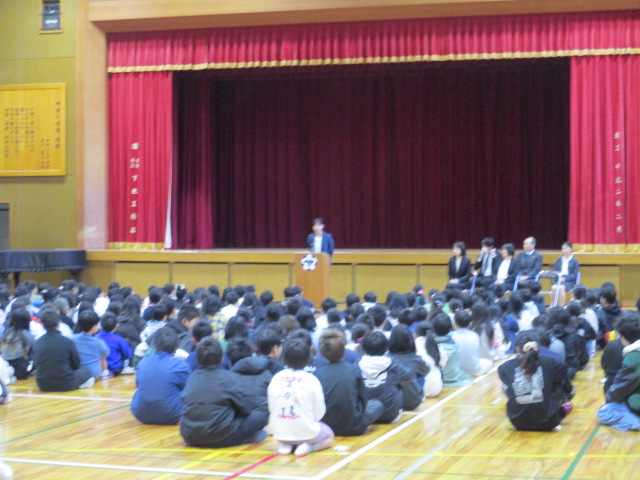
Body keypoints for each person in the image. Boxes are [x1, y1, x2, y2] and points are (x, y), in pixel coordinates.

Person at [180, 337, 268, 447]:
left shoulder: (192, 377)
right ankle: (249, 438)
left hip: (189, 435)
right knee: (260, 417)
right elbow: (245, 409)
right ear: (222, 358)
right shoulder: (228, 377)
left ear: (197, 358)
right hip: (220, 435)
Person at [268, 338, 334, 456]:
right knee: (329, 436)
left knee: (291, 431)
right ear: (307, 358)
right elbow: (320, 413)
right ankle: (309, 447)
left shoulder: (276, 377)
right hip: (306, 433)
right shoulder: (311, 379)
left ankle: (287, 445)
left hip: (279, 434)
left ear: (285, 358)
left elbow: (271, 407)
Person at [498, 330, 573, 431]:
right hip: (550, 421)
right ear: (539, 348)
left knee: (506, 386)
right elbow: (563, 374)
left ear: (517, 349)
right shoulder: (552, 362)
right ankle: (559, 410)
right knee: (556, 380)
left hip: (517, 421)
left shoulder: (504, 367)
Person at [313, 329, 384, 436]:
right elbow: (364, 399)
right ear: (343, 350)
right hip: (354, 427)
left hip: (325, 426)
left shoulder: (317, 373)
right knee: (376, 404)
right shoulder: (353, 369)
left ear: (322, 352)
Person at [131, 328, 190, 425]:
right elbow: (189, 389)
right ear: (176, 347)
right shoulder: (179, 365)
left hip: (140, 413)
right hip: (170, 414)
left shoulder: (143, 362)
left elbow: (138, 384)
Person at [358, 331, 413, 423]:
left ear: (364, 350)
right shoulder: (393, 364)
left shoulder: (357, 365)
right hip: (389, 414)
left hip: (364, 413)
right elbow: (408, 377)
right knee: (400, 383)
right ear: (386, 348)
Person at [33, 309, 94, 392]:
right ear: (59, 322)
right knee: (87, 371)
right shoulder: (67, 341)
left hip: (43, 385)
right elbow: (76, 364)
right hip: (65, 383)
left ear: (42, 324)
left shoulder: (37, 342)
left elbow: (36, 364)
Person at [73, 311, 110, 380]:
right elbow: (106, 354)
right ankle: (105, 375)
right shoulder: (98, 342)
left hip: (78, 373)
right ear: (94, 327)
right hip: (94, 375)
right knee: (102, 358)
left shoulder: (72, 339)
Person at [550, 242, 580, 307]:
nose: (564, 250)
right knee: (553, 287)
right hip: (559, 279)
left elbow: (575, 274)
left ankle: (561, 306)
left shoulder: (574, 261)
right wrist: (558, 277)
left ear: (571, 249)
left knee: (561, 287)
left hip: (569, 281)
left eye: (566, 248)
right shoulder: (559, 260)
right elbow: (555, 272)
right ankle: (552, 306)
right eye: (563, 249)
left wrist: (566, 279)